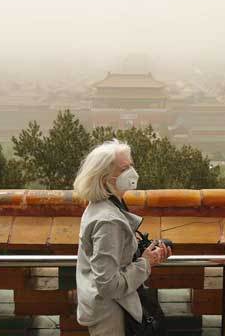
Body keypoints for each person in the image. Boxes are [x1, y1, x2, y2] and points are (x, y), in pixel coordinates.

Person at [74, 139, 172, 335]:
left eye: (131, 165)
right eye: (124, 168)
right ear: (104, 178)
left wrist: (140, 253)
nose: (132, 172)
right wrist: (146, 263)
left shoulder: (100, 206)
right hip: (113, 316)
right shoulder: (108, 221)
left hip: (109, 310)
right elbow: (108, 285)